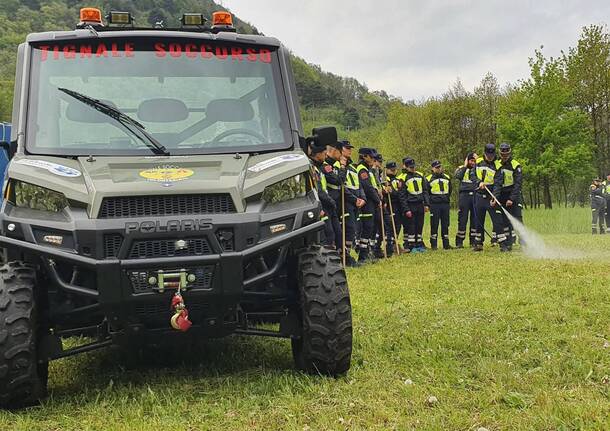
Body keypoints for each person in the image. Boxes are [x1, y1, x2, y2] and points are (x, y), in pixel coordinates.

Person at [324, 141, 363, 266]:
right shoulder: (328, 166)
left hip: (336, 203)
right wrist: (342, 166)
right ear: (334, 150)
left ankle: (345, 256)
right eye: (341, 151)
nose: (342, 154)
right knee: (332, 233)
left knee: (340, 232)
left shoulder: (347, 166)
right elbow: (340, 181)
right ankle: (335, 260)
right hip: (331, 201)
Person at [470, 144, 508, 251]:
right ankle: (478, 243)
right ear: (485, 153)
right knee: (478, 220)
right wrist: (479, 182)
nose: (490, 157)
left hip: (491, 196)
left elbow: (498, 184)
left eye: (491, 155)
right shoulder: (478, 162)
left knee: (497, 221)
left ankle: (502, 244)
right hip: (479, 196)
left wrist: (494, 197)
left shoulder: (498, 166)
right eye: (488, 155)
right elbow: (472, 175)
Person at [308, 142, 339, 248]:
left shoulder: (320, 167)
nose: (326, 156)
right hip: (321, 205)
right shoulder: (312, 168)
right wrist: (331, 201)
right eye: (324, 154)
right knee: (328, 234)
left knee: (335, 233)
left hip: (327, 204)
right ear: (317, 154)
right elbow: (318, 190)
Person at [495, 143, 523, 249]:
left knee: (517, 218)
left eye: (506, 154)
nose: (504, 156)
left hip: (513, 195)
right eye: (502, 154)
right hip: (501, 196)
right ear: (500, 153)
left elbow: (518, 184)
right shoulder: (496, 164)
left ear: (509, 153)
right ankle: (508, 243)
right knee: (504, 220)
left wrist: (511, 198)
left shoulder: (515, 165)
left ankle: (524, 241)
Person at [355, 148, 381, 262]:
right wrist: (377, 199)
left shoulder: (368, 169)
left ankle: (368, 252)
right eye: (371, 156)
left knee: (371, 228)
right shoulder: (362, 169)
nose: (373, 159)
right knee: (367, 228)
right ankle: (362, 256)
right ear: (364, 156)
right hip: (367, 202)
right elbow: (368, 187)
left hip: (372, 201)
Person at [400, 157, 429, 252]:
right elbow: (402, 196)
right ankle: (411, 245)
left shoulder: (420, 175)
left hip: (420, 203)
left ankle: (419, 243)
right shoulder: (403, 178)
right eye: (410, 167)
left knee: (420, 224)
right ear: (406, 167)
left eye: (413, 167)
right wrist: (406, 209)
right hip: (410, 204)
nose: (413, 169)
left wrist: (426, 204)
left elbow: (425, 191)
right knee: (411, 225)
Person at [426, 160, 452, 250]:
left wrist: (446, 199)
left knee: (446, 224)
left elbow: (450, 190)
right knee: (434, 224)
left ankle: (446, 244)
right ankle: (434, 244)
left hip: (445, 204)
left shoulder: (447, 177)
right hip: (434, 205)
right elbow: (427, 193)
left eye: (440, 167)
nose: (439, 169)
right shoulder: (428, 179)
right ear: (432, 168)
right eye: (437, 167)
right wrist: (429, 203)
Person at [385, 161, 408, 256]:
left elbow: (402, 192)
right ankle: (389, 246)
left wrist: (398, 191)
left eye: (395, 170)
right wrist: (398, 191)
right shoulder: (385, 179)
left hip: (398, 205)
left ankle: (395, 244)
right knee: (391, 226)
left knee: (398, 225)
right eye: (392, 170)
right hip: (391, 205)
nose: (394, 172)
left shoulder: (397, 179)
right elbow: (393, 193)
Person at [454, 153, 477, 248]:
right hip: (464, 196)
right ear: (467, 160)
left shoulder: (478, 168)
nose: (473, 163)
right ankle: (459, 242)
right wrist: (464, 166)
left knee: (475, 219)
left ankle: (473, 241)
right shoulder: (461, 168)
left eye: (474, 161)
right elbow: (458, 176)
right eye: (471, 161)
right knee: (462, 218)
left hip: (475, 195)